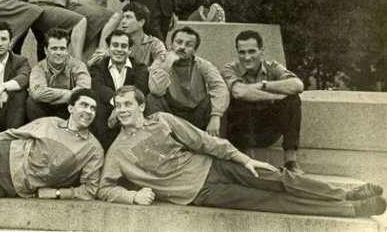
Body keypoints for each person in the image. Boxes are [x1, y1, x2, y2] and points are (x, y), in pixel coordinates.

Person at [97, 86, 386, 218]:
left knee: (279, 178)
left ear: (140, 106)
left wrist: (244, 158)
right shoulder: (118, 151)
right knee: (270, 201)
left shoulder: (162, 120)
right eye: (118, 106)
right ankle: (349, 209)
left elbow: (205, 141)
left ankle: (346, 193)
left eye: (127, 104)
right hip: (200, 193)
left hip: (215, 165)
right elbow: (104, 188)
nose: (123, 110)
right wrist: (132, 196)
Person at [221, 30, 304, 173]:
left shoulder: (273, 67)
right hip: (240, 132)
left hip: (266, 129)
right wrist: (275, 96)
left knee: (292, 99)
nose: (247, 57)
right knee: (241, 100)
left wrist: (263, 85)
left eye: (252, 51)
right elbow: (239, 92)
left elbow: (298, 85)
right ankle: (247, 158)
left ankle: (290, 161)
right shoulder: (230, 69)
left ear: (262, 51)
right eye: (242, 52)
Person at [146, 27, 229, 136]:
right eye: (179, 42)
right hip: (171, 114)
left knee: (215, 100)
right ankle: (161, 143)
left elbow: (220, 87)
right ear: (170, 45)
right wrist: (168, 62)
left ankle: (217, 144)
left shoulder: (203, 65)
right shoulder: (160, 61)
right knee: (152, 99)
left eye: (189, 45)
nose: (182, 47)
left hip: (196, 114)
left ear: (194, 50)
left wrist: (215, 116)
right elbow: (155, 89)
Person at [90, 30, 149, 150]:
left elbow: (140, 89)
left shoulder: (140, 68)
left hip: (131, 108)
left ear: (129, 50)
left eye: (123, 46)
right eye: (115, 45)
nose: (119, 49)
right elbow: (98, 87)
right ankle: (103, 151)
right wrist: (117, 105)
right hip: (107, 112)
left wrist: (120, 107)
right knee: (97, 103)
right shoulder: (98, 67)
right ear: (108, 48)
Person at [27, 28, 91, 121]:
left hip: (70, 109)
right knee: (31, 103)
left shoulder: (78, 66)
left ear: (67, 50)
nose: (58, 53)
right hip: (46, 109)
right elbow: (38, 93)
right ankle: (40, 129)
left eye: (62, 48)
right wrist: (68, 94)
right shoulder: (38, 68)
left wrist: (62, 98)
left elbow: (85, 90)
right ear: (46, 50)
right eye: (54, 48)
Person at [87, 2, 166, 68]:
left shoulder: (154, 44)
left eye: (128, 17)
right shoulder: (117, 42)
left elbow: (163, 62)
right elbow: (91, 63)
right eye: (123, 18)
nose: (123, 22)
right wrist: (107, 54)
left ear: (141, 22)